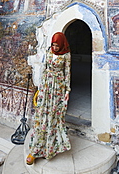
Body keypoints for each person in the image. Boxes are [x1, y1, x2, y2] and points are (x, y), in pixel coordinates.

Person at [26, 32, 71, 165]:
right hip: (46, 86)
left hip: (58, 87)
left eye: (57, 45)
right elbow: (44, 68)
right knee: (41, 115)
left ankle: (50, 148)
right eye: (53, 45)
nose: (55, 48)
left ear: (62, 44)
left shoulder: (66, 55)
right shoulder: (49, 51)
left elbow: (67, 73)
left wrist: (67, 91)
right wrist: (40, 87)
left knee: (54, 116)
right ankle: (36, 149)